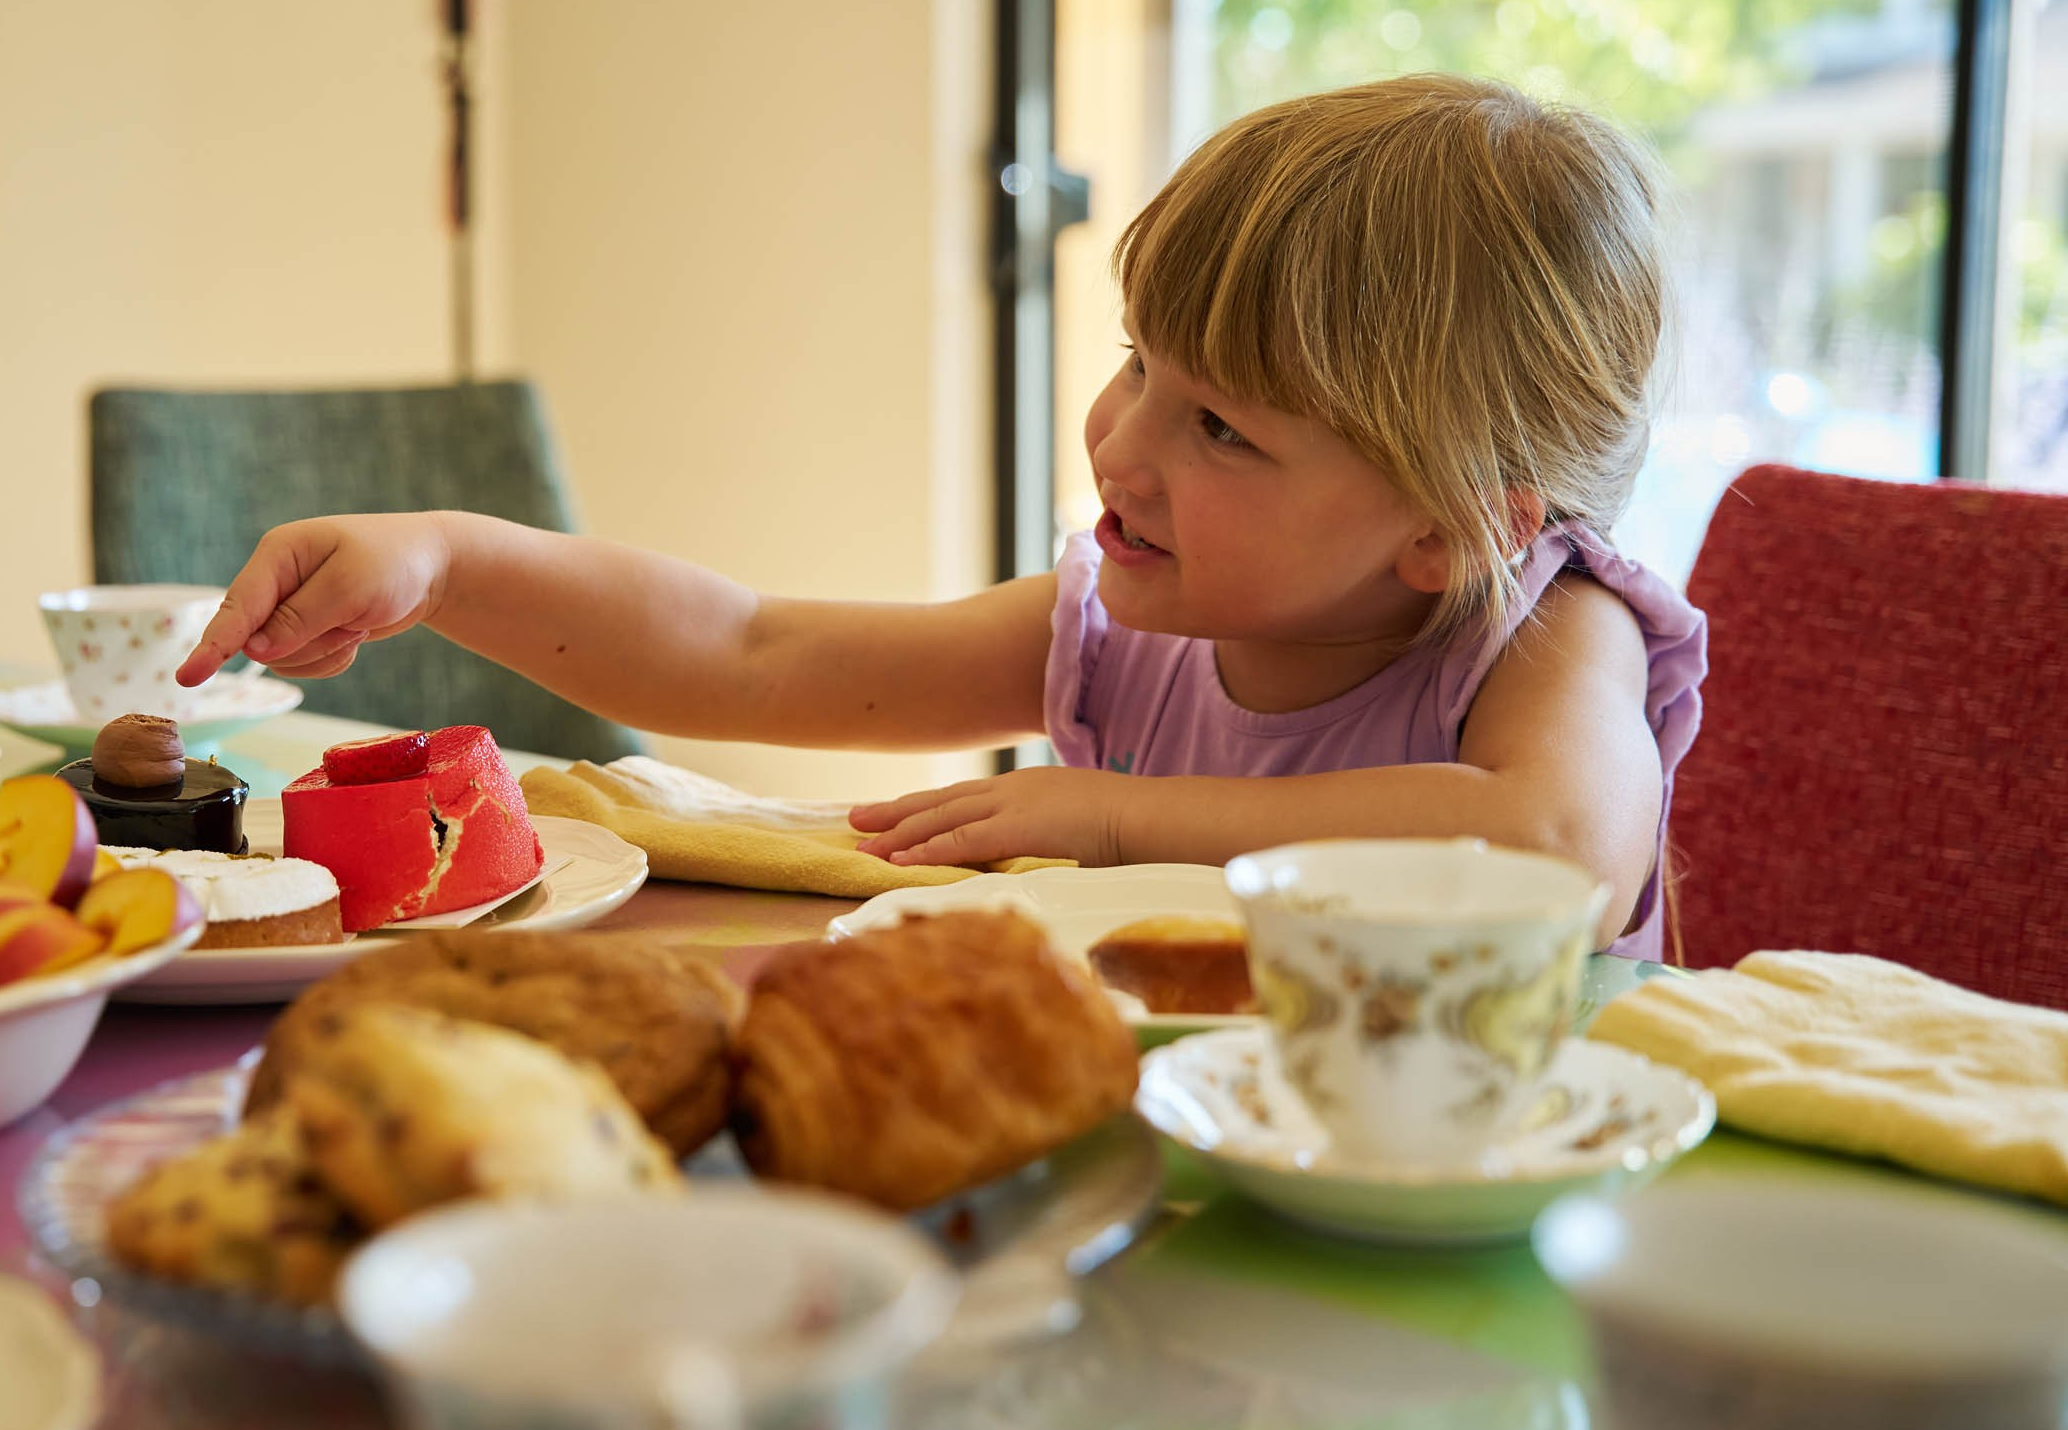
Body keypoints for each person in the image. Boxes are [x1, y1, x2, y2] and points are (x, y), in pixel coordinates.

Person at [177, 75, 1706, 958]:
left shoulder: (1542, 636)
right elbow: (754, 655)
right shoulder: (1123, 630)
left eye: (1222, 428)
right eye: (1139, 366)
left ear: (1453, 533)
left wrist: (1123, 821)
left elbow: (1556, 847)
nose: (1120, 443)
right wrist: (450, 561)